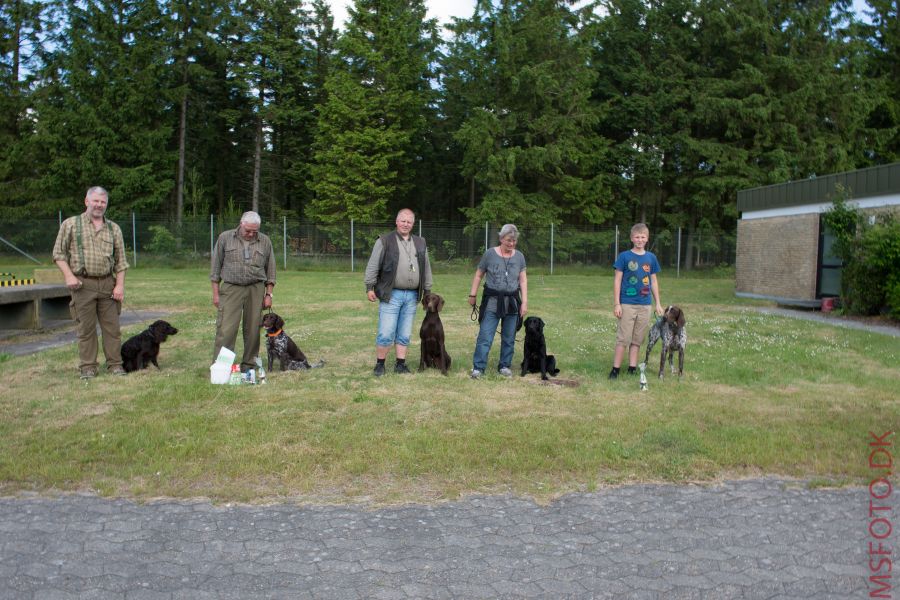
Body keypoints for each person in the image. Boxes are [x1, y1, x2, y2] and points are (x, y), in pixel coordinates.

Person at [52, 186, 129, 379]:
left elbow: (121, 262)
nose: (99, 205)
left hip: (107, 284)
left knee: (112, 329)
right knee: (86, 329)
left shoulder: (114, 228)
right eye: (95, 201)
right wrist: (69, 275)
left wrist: (119, 285)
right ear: (87, 201)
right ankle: (88, 367)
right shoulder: (70, 224)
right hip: (82, 284)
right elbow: (58, 254)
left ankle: (115, 365)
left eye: (103, 202)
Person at [364, 208, 433, 376]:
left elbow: (427, 268)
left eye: (409, 221)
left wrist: (427, 290)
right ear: (396, 221)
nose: (405, 224)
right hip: (391, 294)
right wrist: (369, 287)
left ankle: (400, 364)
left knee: (404, 333)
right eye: (403, 220)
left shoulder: (420, 242)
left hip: (412, 296)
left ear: (413, 224)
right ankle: (380, 365)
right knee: (386, 332)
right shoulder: (384, 241)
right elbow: (373, 265)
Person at [210, 211, 275, 372]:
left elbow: (271, 269)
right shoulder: (225, 238)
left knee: (253, 329)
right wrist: (216, 293)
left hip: (256, 288)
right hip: (231, 288)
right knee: (226, 329)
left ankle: (250, 365)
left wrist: (268, 294)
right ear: (241, 224)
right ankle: (222, 367)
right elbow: (215, 268)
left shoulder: (265, 241)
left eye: (255, 231)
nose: (251, 234)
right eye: (248, 231)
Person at [467, 224, 528, 379]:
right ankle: (478, 368)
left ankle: (505, 366)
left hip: (512, 302)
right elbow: (478, 275)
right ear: (501, 238)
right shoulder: (489, 254)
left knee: (509, 337)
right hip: (492, 301)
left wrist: (524, 302)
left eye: (514, 241)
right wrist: (472, 295)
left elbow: (523, 280)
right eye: (508, 240)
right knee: (485, 336)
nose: (512, 243)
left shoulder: (519, 256)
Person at [609, 222, 664, 379]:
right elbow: (617, 281)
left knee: (637, 339)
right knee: (623, 338)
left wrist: (658, 303)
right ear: (632, 238)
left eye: (643, 237)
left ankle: (632, 368)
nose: (640, 240)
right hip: (627, 304)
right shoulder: (624, 257)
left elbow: (653, 281)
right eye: (637, 237)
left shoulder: (651, 258)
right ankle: (615, 369)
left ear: (647, 239)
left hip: (645, 305)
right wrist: (617, 303)